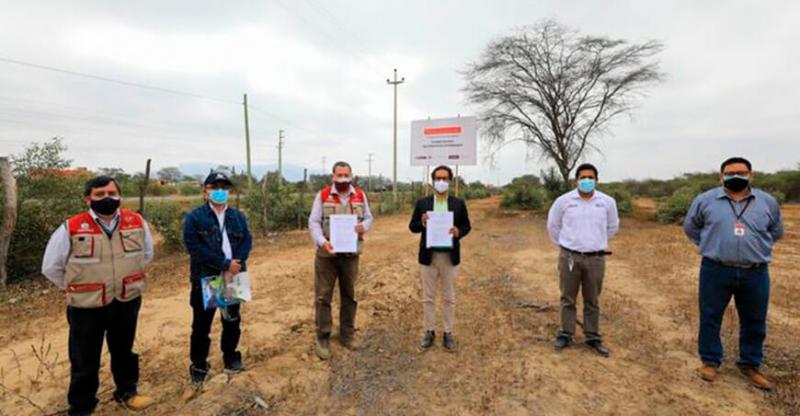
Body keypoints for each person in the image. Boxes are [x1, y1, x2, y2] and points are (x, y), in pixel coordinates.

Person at [41, 176, 155, 415]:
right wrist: (76, 288)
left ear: (119, 195)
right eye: (100, 194)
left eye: (112, 193)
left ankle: (127, 392)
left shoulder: (136, 222)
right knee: (84, 359)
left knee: (124, 351)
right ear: (88, 198)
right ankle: (82, 406)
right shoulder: (71, 227)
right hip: (86, 306)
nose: (107, 198)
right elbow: (51, 267)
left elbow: (146, 254)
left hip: (126, 299)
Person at [684, 157, 784, 390]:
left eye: (741, 172)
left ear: (751, 175)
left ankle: (750, 364)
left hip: (755, 271)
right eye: (730, 173)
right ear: (721, 176)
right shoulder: (705, 200)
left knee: (754, 319)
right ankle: (710, 361)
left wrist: (755, 247)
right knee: (710, 316)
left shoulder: (767, 202)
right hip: (715, 269)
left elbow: (776, 231)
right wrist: (711, 245)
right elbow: (691, 227)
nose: (735, 177)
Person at [183, 171, 252, 385]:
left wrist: (236, 263)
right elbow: (194, 248)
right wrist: (224, 264)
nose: (219, 192)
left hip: (233, 276)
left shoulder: (237, 216)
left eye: (224, 188)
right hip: (208, 277)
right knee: (202, 325)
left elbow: (247, 241)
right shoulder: (195, 217)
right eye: (214, 187)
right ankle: (199, 365)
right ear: (205, 191)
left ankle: (231, 357)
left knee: (232, 320)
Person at [547, 163, 619, 357]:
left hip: (596, 258)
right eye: (583, 177)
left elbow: (612, 227)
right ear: (576, 180)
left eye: (590, 177)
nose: (587, 180)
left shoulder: (607, 202)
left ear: (597, 180)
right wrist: (567, 244)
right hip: (569, 256)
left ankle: (592, 336)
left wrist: (594, 242)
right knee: (567, 297)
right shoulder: (564, 201)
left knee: (592, 299)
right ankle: (566, 333)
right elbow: (553, 226)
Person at [308, 161, 373, 360]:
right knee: (323, 296)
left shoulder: (360, 196)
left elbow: (369, 218)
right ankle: (323, 336)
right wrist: (321, 242)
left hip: (350, 255)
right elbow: (313, 222)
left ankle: (347, 334)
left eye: (346, 175)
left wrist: (364, 227)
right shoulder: (323, 195)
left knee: (350, 295)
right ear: (333, 176)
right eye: (339, 175)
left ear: (351, 176)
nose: (343, 178)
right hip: (327, 255)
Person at [408, 165, 471, 351]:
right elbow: (412, 226)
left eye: (445, 178)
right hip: (429, 256)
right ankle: (429, 330)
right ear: (432, 181)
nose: (441, 182)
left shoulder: (458, 203)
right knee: (428, 297)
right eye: (438, 178)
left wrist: (458, 231)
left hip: (450, 257)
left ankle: (448, 332)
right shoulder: (423, 203)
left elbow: (467, 226)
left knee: (449, 297)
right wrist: (422, 222)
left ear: (450, 181)